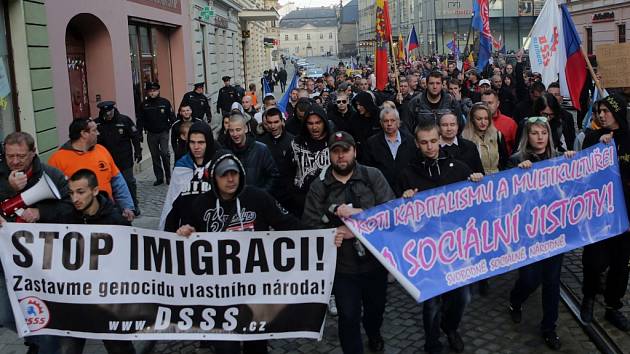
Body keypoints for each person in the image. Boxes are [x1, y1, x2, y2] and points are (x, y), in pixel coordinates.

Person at [176, 154, 302, 354]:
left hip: (255, 289)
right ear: (214, 178)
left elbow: (290, 225)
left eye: (234, 174)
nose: (230, 179)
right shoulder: (201, 204)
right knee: (226, 348)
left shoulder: (258, 197)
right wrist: (184, 233)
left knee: (256, 345)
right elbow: (188, 236)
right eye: (224, 175)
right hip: (219, 293)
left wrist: (325, 237)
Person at [302, 131, 395, 354]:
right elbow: (309, 224)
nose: (341, 156)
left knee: (375, 310)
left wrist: (357, 222)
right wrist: (334, 231)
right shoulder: (319, 186)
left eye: (345, 151)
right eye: (336, 152)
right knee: (348, 316)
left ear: (355, 151)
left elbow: (390, 212)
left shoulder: (373, 176)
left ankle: (374, 333)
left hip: (374, 263)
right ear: (329, 155)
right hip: (342, 268)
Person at [398, 121, 483, 354]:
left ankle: (450, 326)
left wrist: (476, 182)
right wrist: (405, 199)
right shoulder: (408, 173)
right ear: (417, 144)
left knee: (463, 296)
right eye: (424, 142)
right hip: (428, 247)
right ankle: (432, 342)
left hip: (457, 244)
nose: (430, 147)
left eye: (433, 141)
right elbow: (400, 216)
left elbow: (477, 204)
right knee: (432, 301)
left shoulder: (459, 168)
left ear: (440, 140)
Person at [508, 117, 576, 350]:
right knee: (529, 279)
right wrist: (518, 172)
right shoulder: (516, 160)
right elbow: (507, 196)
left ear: (549, 136)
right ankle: (515, 300)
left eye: (543, 133)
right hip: (527, 232)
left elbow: (572, 189)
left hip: (554, 232)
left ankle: (549, 327)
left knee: (552, 282)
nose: (539, 137)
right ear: (528, 136)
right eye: (535, 133)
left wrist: (571, 163)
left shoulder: (559, 159)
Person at [0, 132, 71, 354]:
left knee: (42, 310)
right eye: (9, 156)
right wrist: (9, 190)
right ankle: (41, 341)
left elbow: (71, 208)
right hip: (7, 259)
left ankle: (46, 344)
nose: (14, 161)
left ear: (33, 153)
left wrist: (41, 212)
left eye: (20, 156)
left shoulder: (52, 175)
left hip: (44, 261)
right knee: (5, 314)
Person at [57, 169, 137, 354]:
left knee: (119, 347)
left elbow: (131, 258)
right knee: (68, 348)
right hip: (76, 298)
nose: (75, 198)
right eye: (71, 193)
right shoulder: (65, 219)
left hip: (108, 299)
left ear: (94, 191)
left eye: (80, 192)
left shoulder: (116, 222)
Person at [580, 94, 630, 332]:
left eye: (606, 111)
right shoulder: (592, 138)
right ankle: (588, 297)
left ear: (617, 112)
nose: (601, 115)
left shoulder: (628, 139)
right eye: (598, 111)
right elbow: (581, 173)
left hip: (626, 214)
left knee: (621, 264)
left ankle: (613, 305)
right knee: (594, 260)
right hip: (598, 213)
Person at [48, 118, 135, 221]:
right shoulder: (58, 159)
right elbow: (52, 194)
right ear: (84, 134)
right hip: (77, 219)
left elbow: (117, 182)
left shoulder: (102, 150)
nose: (98, 133)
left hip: (107, 213)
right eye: (94, 130)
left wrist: (127, 207)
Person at [160, 121, 222, 231]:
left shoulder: (220, 165)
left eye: (201, 142)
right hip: (187, 231)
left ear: (208, 142)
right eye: (192, 142)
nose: (196, 147)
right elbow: (172, 203)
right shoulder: (182, 167)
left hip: (214, 230)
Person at [94, 100, 142, 215]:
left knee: (129, 182)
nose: (108, 115)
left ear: (113, 110)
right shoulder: (96, 124)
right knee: (109, 184)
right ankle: (113, 207)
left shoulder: (124, 120)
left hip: (124, 159)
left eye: (110, 112)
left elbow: (135, 136)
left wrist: (138, 151)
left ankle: (133, 205)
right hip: (105, 161)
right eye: (106, 113)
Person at [288, 105, 333, 216]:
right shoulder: (296, 144)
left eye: (318, 123)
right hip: (302, 204)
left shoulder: (334, 143)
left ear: (324, 123)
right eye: (310, 123)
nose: (314, 127)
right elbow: (287, 173)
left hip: (330, 203)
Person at [363, 107, 416, 195]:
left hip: (407, 192)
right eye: (386, 121)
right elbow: (367, 169)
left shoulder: (410, 140)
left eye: (392, 120)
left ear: (398, 122)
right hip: (381, 192)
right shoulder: (372, 143)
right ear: (381, 123)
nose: (389, 124)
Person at [226, 113, 279, 194]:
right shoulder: (226, 152)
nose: (235, 134)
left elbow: (274, 176)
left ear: (246, 129)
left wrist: (260, 194)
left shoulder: (261, 149)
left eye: (238, 130)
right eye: (231, 130)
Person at [136, 81, 174, 186]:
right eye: (150, 91)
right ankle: (159, 177)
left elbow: (172, 117)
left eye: (154, 90)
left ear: (158, 91)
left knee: (165, 153)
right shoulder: (144, 105)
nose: (152, 93)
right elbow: (140, 120)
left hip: (163, 132)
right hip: (151, 133)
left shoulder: (165, 102)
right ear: (147, 92)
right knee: (155, 156)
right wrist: (139, 134)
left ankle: (168, 176)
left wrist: (170, 127)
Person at [257, 107, 295, 211]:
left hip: (289, 196)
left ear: (282, 121)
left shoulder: (293, 142)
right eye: (269, 122)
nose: (273, 126)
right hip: (268, 194)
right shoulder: (260, 143)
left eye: (276, 122)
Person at [461, 103, 508, 175]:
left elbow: (505, 160)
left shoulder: (497, 135)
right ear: (472, 120)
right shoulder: (464, 138)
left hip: (497, 177)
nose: (483, 122)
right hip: (476, 181)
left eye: (486, 118)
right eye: (479, 119)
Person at [349, 91, 381, 162]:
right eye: (357, 105)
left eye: (360, 105)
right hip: (361, 156)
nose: (358, 107)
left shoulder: (379, 116)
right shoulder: (354, 119)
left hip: (378, 154)